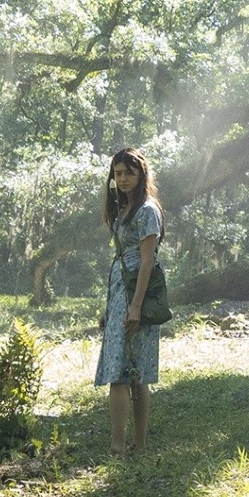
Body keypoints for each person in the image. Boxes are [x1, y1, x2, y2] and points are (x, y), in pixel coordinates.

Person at [95, 147, 164, 452]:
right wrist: (110, 309)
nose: (122, 179)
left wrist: (135, 307)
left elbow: (147, 261)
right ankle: (132, 444)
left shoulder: (147, 210)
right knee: (125, 372)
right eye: (118, 173)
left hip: (138, 294)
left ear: (141, 175)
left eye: (129, 173)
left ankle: (122, 446)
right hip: (120, 292)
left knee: (130, 373)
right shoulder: (124, 209)